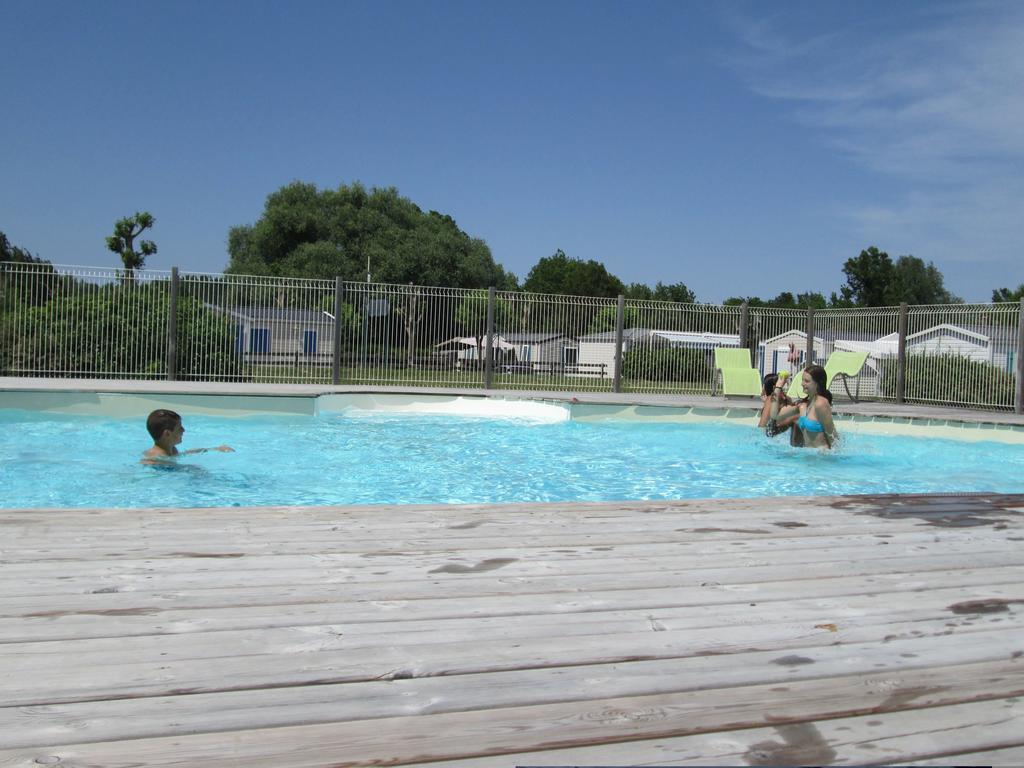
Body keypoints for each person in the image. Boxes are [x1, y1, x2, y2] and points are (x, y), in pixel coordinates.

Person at [768, 364, 838, 449]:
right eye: (802, 380)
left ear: (817, 384)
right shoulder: (802, 406)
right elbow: (775, 416)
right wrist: (778, 387)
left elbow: (832, 436)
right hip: (808, 455)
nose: (802, 384)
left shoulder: (821, 404)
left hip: (822, 457)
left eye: (807, 381)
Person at [143, 409, 234, 464]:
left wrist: (215, 449)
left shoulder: (171, 450)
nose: (183, 430)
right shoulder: (156, 459)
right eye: (179, 428)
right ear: (167, 434)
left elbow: (185, 453)